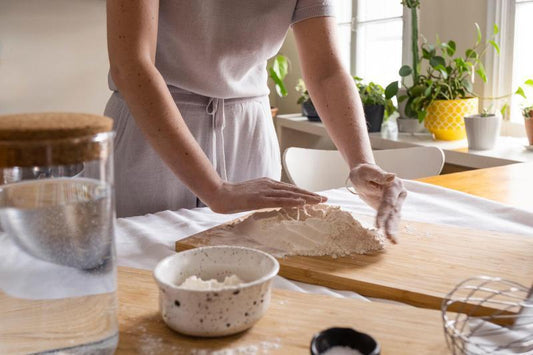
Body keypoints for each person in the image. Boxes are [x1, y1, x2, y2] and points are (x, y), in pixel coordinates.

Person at [104, 0, 407, 242]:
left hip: (249, 134)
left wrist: (360, 162)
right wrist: (215, 189)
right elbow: (131, 65)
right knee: (138, 275)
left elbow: (326, 70)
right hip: (154, 132)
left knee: (256, 273)